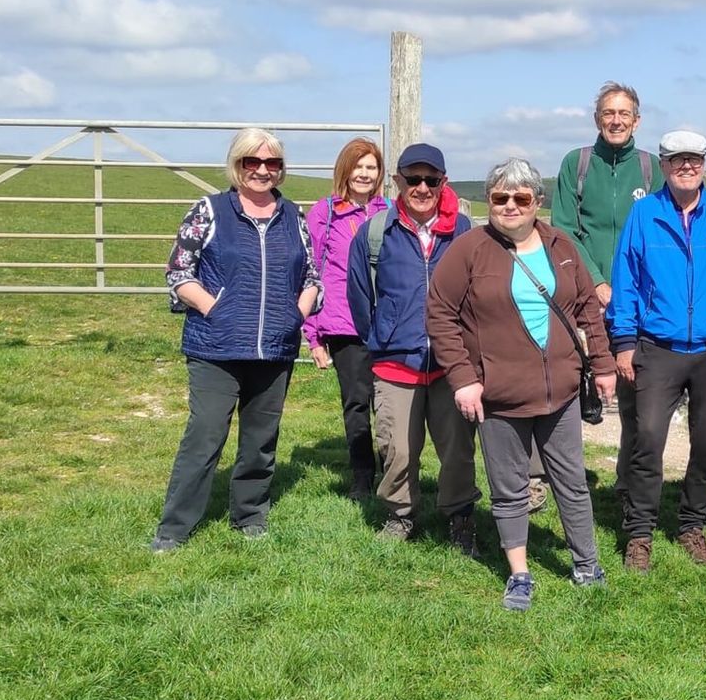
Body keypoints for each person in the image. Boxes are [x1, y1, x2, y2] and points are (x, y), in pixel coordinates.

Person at [427, 158, 617, 608]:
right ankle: (519, 573)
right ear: (489, 200)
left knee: (571, 481)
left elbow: (588, 308)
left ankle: (586, 564)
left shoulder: (561, 245)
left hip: (562, 393)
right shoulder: (469, 250)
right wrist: (465, 379)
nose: (510, 206)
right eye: (500, 197)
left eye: (521, 198)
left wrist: (604, 365)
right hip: (500, 395)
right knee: (509, 486)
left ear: (537, 202)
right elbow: (440, 315)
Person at [152, 127, 321, 550]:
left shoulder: (293, 216)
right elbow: (178, 272)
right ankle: (175, 528)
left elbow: (311, 276)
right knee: (206, 434)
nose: (263, 171)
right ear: (237, 164)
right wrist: (215, 309)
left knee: (261, 440)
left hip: (275, 348)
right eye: (253, 162)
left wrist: (295, 314)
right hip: (216, 346)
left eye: (272, 163)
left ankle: (249, 516)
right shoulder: (208, 211)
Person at [608, 128, 706, 574]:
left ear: (705, 164)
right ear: (664, 166)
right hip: (658, 347)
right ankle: (639, 533)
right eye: (678, 160)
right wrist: (623, 342)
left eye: (695, 159)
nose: (687, 166)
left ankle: (692, 525)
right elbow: (627, 283)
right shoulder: (643, 215)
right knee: (648, 439)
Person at [347, 143, 482, 553]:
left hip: (450, 364)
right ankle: (400, 514)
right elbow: (359, 296)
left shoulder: (465, 232)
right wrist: (384, 338)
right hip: (395, 363)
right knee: (397, 448)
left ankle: (460, 517)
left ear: (444, 182)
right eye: (413, 179)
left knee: (457, 449)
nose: (422, 187)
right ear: (398, 182)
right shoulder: (374, 233)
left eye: (431, 180)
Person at [553, 82, 656, 496]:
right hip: (581, 296)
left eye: (624, 114)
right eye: (608, 114)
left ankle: (628, 481)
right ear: (597, 119)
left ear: (637, 120)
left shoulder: (651, 169)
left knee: (635, 396)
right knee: (566, 390)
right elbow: (564, 228)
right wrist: (594, 279)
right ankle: (559, 479)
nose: (616, 121)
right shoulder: (576, 164)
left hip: (637, 302)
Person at [304, 137, 389, 500]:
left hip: (387, 322)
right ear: (345, 170)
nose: (365, 174)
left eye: (371, 167)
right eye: (358, 167)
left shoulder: (391, 211)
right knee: (356, 401)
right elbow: (310, 273)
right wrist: (313, 335)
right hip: (343, 322)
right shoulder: (324, 213)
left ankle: (393, 473)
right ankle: (362, 476)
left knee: (388, 403)